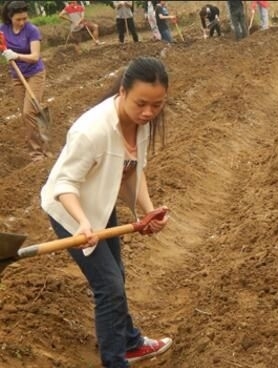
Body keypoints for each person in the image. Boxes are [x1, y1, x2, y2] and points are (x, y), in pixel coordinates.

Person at [40, 56, 173, 368]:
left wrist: (150, 211)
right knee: (108, 287)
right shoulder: (92, 131)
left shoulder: (142, 123)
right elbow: (64, 184)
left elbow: (133, 171)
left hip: (99, 202)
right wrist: (83, 223)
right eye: (142, 103)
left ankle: (130, 342)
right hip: (69, 210)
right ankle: (115, 361)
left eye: (157, 105)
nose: (148, 112)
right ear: (123, 92)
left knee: (117, 278)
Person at [1, 0, 49, 161]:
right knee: (25, 113)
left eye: (24, 18)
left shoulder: (32, 30)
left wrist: (16, 55)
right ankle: (37, 142)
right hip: (17, 76)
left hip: (35, 73)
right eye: (18, 19)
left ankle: (37, 152)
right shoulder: (3, 30)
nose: (22, 22)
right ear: (9, 17)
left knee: (29, 111)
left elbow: (35, 57)